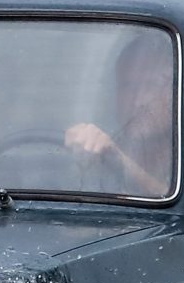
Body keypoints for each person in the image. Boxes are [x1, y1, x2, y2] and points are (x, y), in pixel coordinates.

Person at [64, 33, 177, 196]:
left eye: (153, 85)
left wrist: (119, 159)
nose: (138, 100)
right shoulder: (96, 151)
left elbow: (176, 202)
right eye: (128, 86)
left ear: (175, 93)